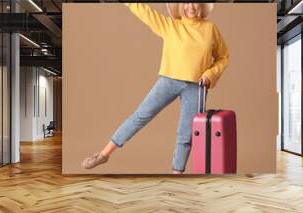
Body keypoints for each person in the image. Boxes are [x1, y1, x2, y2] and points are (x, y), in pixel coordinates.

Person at [81, 3, 229, 174]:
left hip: (196, 86)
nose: (191, 6)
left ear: (201, 5)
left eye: (195, 1)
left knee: (186, 134)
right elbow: (145, 11)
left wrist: (210, 74)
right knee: (140, 116)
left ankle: (177, 175)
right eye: (186, 2)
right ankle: (103, 155)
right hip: (168, 81)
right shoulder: (171, 26)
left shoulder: (210, 29)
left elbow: (223, 57)